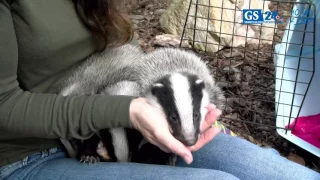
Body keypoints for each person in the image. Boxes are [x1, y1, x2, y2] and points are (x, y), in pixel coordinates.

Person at [0, 0, 319, 179]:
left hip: (124, 112)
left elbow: (126, 49)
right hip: (32, 152)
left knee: (285, 176)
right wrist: (129, 111)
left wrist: (179, 109)